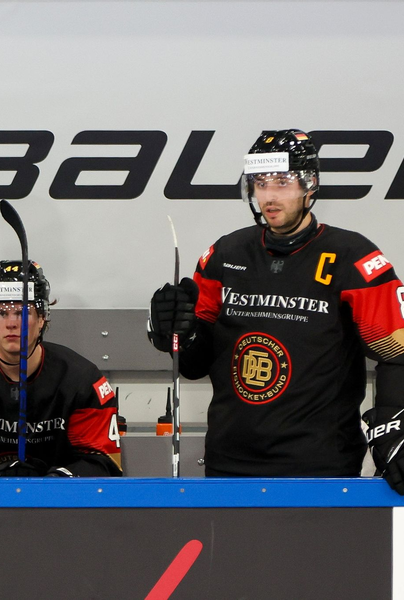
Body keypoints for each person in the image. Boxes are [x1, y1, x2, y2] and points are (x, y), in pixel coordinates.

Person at [147, 129, 404, 494]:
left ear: (310, 185)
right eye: (260, 183)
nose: (269, 196)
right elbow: (193, 364)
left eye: (282, 183)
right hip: (228, 462)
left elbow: (398, 352)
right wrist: (176, 333)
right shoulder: (225, 254)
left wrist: (395, 428)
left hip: (321, 467)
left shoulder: (353, 258)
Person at [0, 260, 122, 477]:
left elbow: (103, 464)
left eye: (22, 312)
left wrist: (51, 483)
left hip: (58, 497)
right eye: (1, 313)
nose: (11, 323)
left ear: (42, 318)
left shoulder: (82, 380)